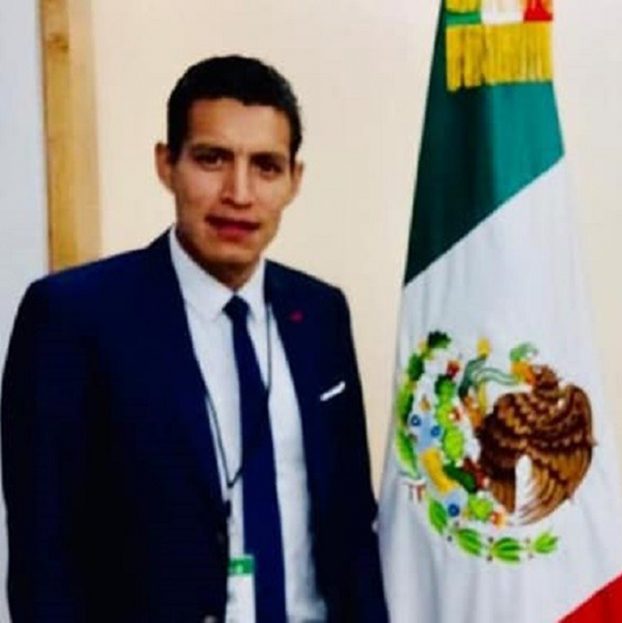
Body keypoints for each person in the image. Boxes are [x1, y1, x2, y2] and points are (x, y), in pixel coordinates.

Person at [1, 55, 388, 622]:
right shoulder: (73, 318)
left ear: (294, 181)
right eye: (212, 159)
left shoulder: (321, 314)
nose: (239, 193)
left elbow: (351, 526)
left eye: (266, 166)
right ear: (167, 165)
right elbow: (44, 560)